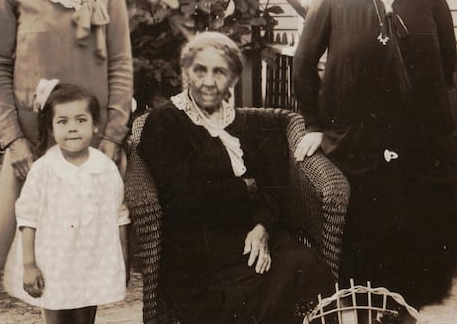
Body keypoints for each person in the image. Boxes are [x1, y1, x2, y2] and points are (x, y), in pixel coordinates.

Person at [292, 0, 457, 309]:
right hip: (357, 146)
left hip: (420, 147)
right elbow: (304, 62)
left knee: (418, 260)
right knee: (363, 260)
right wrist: (313, 124)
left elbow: (447, 62)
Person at [137, 32, 334, 324]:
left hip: (252, 233)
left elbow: (271, 187)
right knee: (248, 295)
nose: (208, 81)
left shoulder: (244, 124)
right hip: (200, 247)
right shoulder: (165, 122)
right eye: (200, 70)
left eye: (219, 72)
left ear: (232, 79)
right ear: (186, 72)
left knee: (305, 264)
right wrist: (244, 188)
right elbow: (181, 196)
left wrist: (262, 227)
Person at [0, 0, 133, 266]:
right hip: (35, 141)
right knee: (43, 258)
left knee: (92, 258)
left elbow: (120, 63)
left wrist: (112, 137)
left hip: (93, 139)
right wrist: (13, 138)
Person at [3, 80, 130, 324]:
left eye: (81, 120)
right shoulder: (43, 170)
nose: (72, 128)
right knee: (56, 316)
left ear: (95, 125)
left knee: (85, 318)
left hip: (90, 262)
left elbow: (119, 217)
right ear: (51, 128)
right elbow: (28, 218)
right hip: (53, 264)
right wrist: (29, 265)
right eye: (63, 122)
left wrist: (123, 261)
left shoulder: (104, 168)